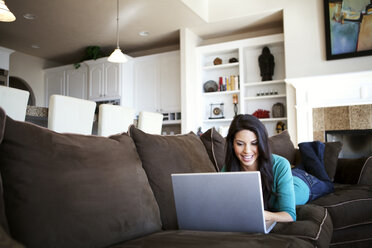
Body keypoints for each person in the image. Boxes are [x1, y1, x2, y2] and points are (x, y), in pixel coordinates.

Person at [221, 114, 334, 222]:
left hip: (303, 182)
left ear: (262, 143)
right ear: (232, 144)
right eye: (240, 144)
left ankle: (309, 148)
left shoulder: (280, 164)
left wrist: (258, 214)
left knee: (328, 185)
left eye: (254, 143)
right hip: (286, 175)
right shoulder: (228, 169)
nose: (247, 150)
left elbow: (289, 216)